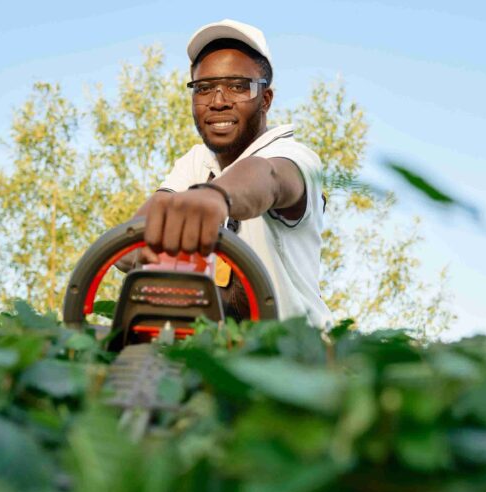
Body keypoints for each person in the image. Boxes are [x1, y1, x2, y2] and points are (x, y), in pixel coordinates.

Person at [124, 19, 332, 328]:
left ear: (266, 99)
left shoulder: (294, 157)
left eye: (237, 86)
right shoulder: (197, 163)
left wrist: (215, 197)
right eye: (204, 89)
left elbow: (268, 178)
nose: (218, 102)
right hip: (217, 357)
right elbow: (131, 243)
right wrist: (139, 246)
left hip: (296, 361)